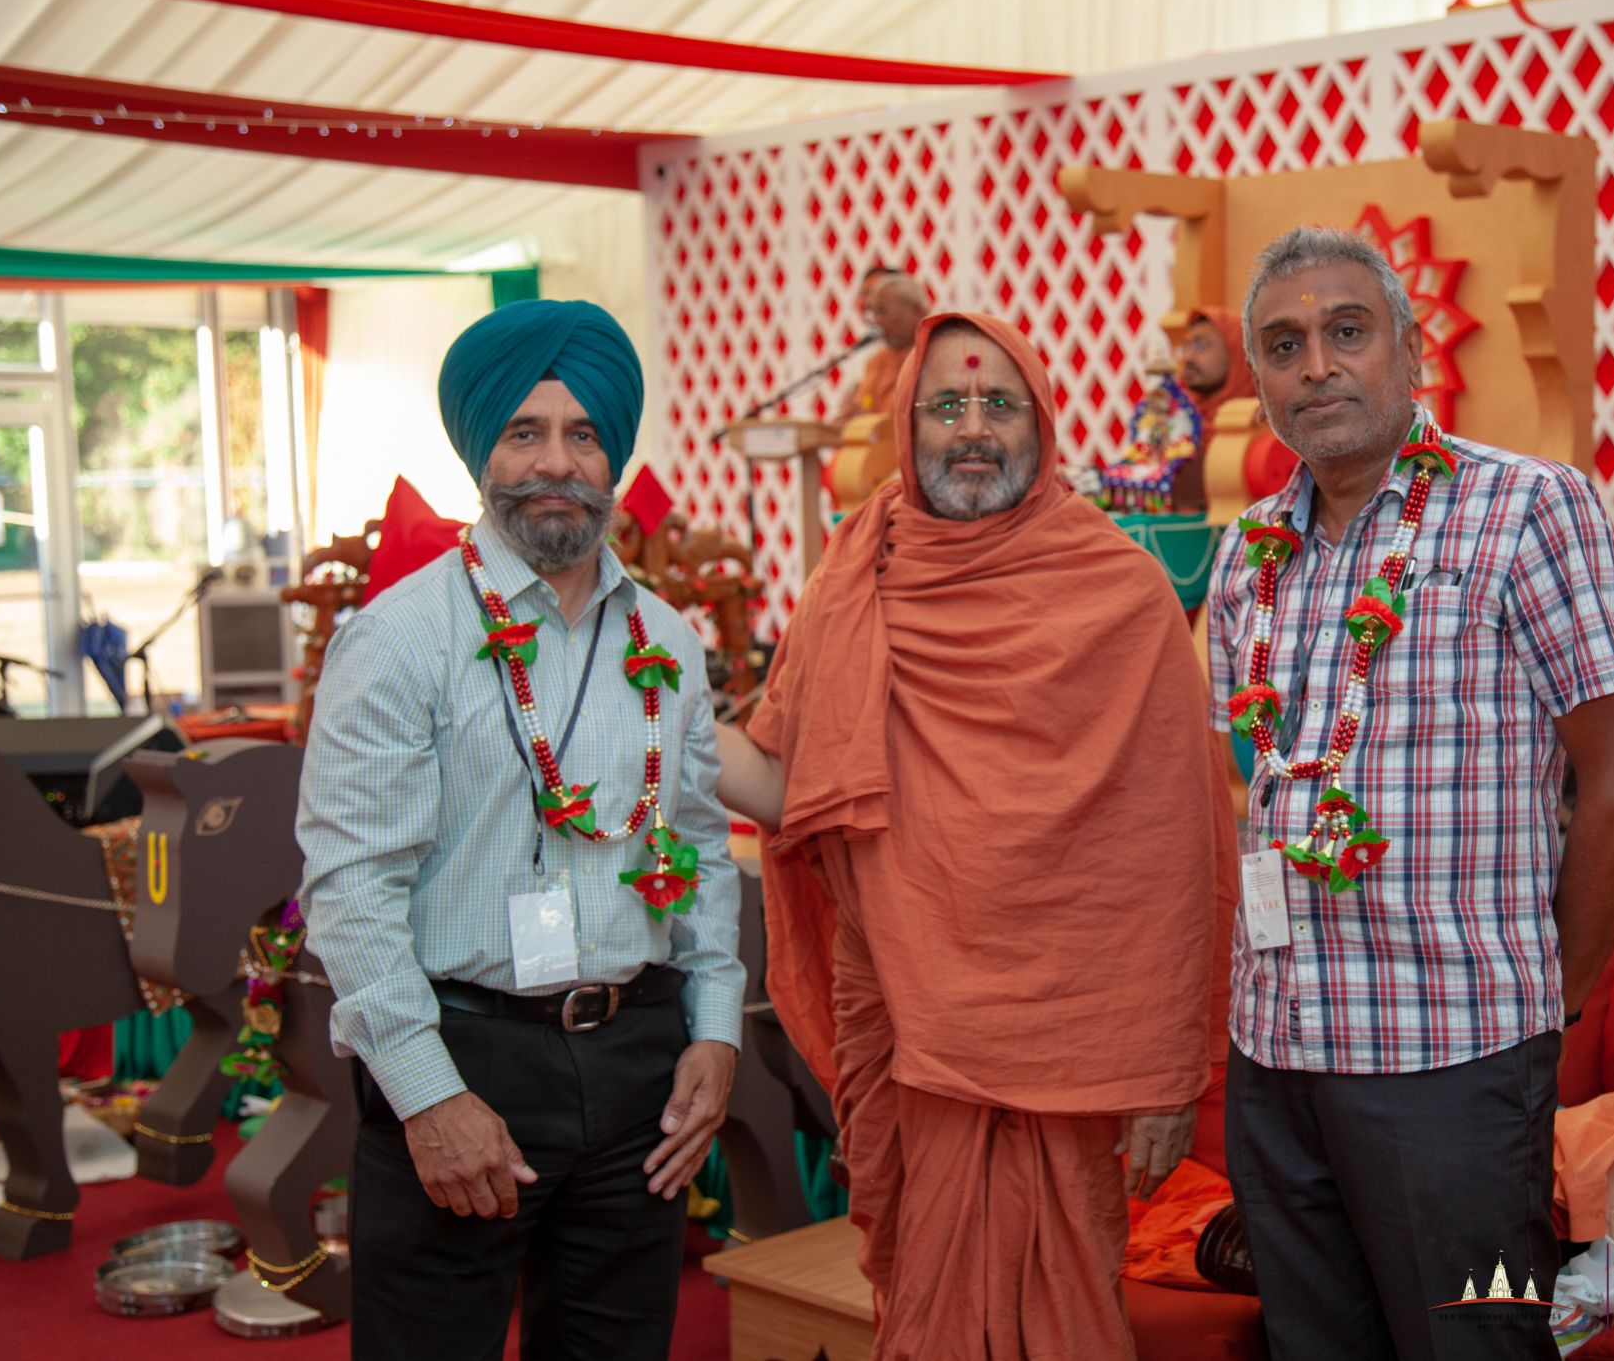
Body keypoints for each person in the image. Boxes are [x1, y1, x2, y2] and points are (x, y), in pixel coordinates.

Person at [718, 312, 1235, 1361]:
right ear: (905, 428)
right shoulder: (848, 586)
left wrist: (1167, 1075)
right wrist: (642, 691)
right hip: (906, 1028)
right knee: (921, 1298)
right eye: (944, 405)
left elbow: (1173, 859)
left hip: (1063, 1044)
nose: (970, 428)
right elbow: (789, 786)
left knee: (1060, 1312)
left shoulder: (1121, 597)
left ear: (1041, 424)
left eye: (998, 403)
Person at [1206, 228, 1614, 1359]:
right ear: (1257, 381)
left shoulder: (1525, 510)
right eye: (1283, 344)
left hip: (1449, 1064)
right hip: (1275, 1054)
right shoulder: (1245, 552)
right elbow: (1242, 790)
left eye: (1345, 332)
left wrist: (1539, 1011)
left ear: (1410, 354)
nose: (1315, 365)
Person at [299, 299, 744, 1361]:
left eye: (584, 434)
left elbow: (699, 849)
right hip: (462, 1051)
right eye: (525, 432)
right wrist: (427, 1096)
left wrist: (715, 1029)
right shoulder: (402, 640)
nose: (557, 461)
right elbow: (349, 888)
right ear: (480, 451)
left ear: (614, 458)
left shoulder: (668, 642)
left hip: (638, 1064)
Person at [831, 272, 929, 427]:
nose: (877, 321)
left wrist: (866, 420)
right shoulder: (877, 360)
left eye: (883, 311)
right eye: (873, 312)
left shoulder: (933, 355)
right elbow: (861, 409)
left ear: (916, 310)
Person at [1175, 305, 1257, 447]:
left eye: (1200, 345)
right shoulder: (1176, 412)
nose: (1187, 357)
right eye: (1186, 346)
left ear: (1235, 352)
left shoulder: (1260, 422)